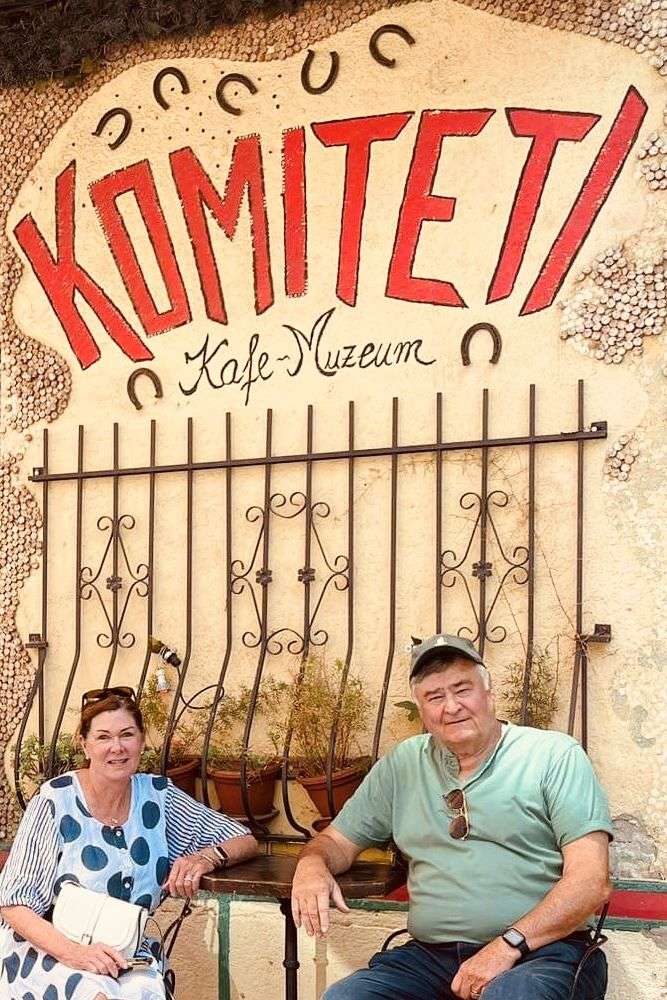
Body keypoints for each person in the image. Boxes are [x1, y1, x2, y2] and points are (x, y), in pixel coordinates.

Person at [291, 634, 613, 1000]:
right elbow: (335, 841)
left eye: (463, 689)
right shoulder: (404, 765)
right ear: (422, 709)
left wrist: (506, 947)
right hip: (431, 958)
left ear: (488, 693)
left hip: (541, 954)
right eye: (434, 696)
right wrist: (312, 865)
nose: (451, 706)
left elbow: (591, 882)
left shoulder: (553, 756)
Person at [0, 685, 258, 1000]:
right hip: (48, 949)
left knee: (144, 993)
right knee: (95, 995)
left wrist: (205, 858)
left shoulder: (158, 797)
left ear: (141, 740)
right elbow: (13, 903)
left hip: (125, 950)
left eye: (127, 734)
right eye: (103, 737)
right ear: (85, 744)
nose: (117, 747)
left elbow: (243, 839)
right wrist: (76, 954)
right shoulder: (56, 800)